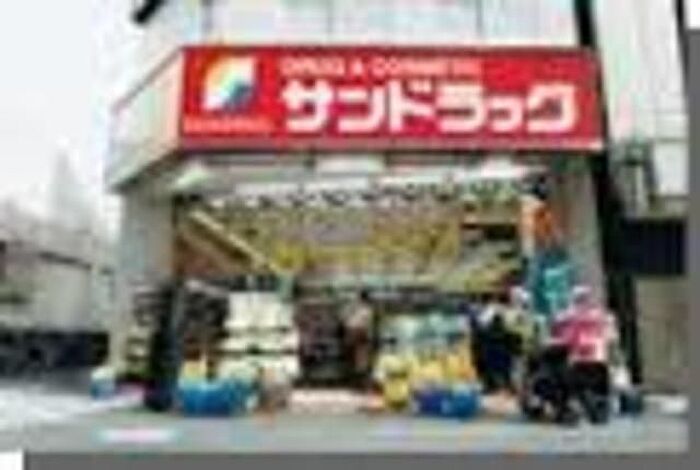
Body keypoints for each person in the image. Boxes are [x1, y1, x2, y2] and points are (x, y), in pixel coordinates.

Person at [551, 285, 617, 424]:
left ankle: (571, 408)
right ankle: (597, 408)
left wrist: (558, 339)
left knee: (568, 382)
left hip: (579, 359)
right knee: (597, 386)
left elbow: (562, 335)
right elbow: (611, 336)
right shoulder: (601, 315)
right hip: (597, 359)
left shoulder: (569, 316)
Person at [343, 290, 375, 390]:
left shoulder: (360, 309)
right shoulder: (365, 309)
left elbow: (346, 320)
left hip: (357, 334)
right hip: (358, 334)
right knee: (360, 361)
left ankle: (359, 383)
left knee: (358, 361)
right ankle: (360, 383)